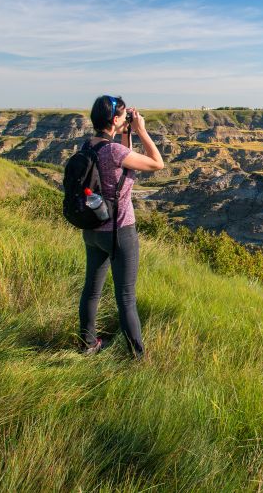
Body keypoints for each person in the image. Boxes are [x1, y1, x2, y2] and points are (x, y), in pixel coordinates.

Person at [79, 95, 164, 358]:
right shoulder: (114, 151)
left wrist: (126, 132)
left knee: (91, 290)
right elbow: (157, 163)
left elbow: (120, 165)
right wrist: (141, 130)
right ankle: (136, 357)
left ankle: (87, 345)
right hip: (119, 232)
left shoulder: (88, 147)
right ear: (115, 120)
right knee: (126, 298)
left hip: (92, 230)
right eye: (124, 116)